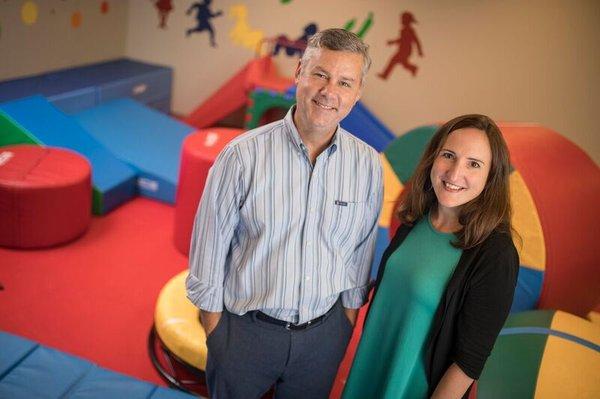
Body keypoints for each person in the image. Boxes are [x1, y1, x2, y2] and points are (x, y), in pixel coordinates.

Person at [186, 28, 383, 399]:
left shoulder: (368, 165)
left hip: (323, 338)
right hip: (246, 334)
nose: (329, 92)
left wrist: (344, 325)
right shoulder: (241, 156)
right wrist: (217, 332)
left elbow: (359, 254)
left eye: (344, 82)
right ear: (299, 75)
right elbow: (208, 251)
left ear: (356, 94)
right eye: (320, 74)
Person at [343, 114, 519, 399]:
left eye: (474, 164)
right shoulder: (414, 221)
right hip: (368, 372)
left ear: (491, 177)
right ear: (433, 159)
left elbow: (468, 362)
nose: (454, 172)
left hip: (412, 389)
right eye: (448, 155)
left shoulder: (495, 254)